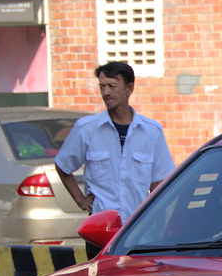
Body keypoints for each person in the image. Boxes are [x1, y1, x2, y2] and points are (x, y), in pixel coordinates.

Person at [55, 62, 175, 254]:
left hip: (139, 231)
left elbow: (160, 183)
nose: (106, 93)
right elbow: (63, 165)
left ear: (129, 88)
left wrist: (159, 222)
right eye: (102, 86)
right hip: (100, 231)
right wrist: (80, 200)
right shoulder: (86, 128)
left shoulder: (151, 131)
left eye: (112, 86)